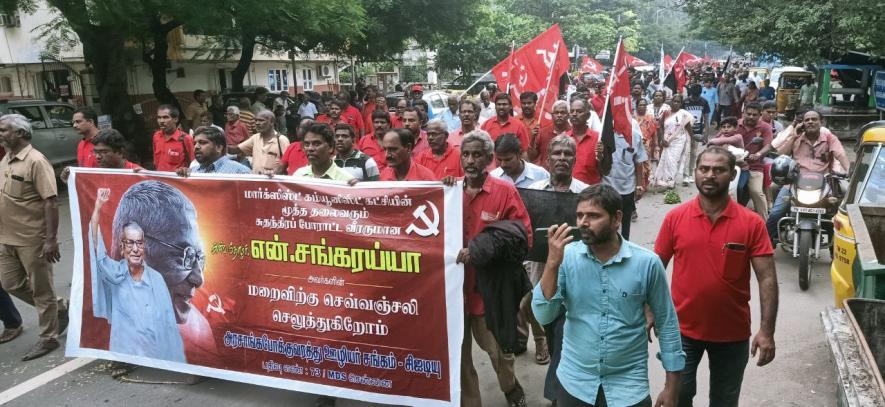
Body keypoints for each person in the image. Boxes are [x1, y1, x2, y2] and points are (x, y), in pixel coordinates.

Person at [533, 184, 684, 407]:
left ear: (616, 219)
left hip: (628, 387)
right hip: (575, 383)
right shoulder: (567, 257)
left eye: (593, 216)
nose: (583, 222)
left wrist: (672, 388)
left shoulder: (647, 263)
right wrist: (552, 263)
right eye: (580, 215)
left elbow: (668, 324)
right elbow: (544, 315)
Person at [655, 146, 778, 407]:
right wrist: (648, 308)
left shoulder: (751, 223)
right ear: (696, 172)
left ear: (733, 174)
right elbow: (654, 269)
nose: (710, 175)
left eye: (718, 170)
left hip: (732, 334)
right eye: (704, 169)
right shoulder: (675, 218)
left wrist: (767, 331)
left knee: (724, 401)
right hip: (681, 332)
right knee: (678, 396)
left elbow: (767, 278)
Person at [443, 129, 532, 407]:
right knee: (460, 355)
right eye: (465, 154)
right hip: (453, 290)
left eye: (477, 155)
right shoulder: (447, 190)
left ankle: (510, 386)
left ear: (490, 159)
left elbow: (523, 237)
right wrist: (441, 190)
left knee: (498, 350)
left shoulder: (505, 192)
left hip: (488, 290)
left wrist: (481, 250)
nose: (470, 161)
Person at [110, 181, 216, 365]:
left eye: (198, 258)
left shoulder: (198, 331)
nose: (199, 280)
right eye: (184, 255)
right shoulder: (97, 320)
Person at [526, 135, 589, 402]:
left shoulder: (586, 193)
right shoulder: (534, 191)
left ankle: (561, 392)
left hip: (579, 275)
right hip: (543, 272)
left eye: (567, 154)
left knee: (570, 331)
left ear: (574, 160)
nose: (562, 158)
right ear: (548, 158)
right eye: (557, 153)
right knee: (551, 328)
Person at [0, 113, 68, 361]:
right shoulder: (6, 160)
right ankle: (59, 306)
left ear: (21, 133)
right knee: (10, 283)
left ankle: (48, 338)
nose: (0, 134)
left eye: (4, 130)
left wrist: (51, 239)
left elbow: (50, 201)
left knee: (42, 289)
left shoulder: (36, 161)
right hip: (6, 238)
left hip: (32, 238)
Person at [89, 188, 185, 362]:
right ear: (122, 247)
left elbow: (169, 327)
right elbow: (97, 247)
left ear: (144, 246)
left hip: (155, 355)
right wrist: (98, 207)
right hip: (125, 352)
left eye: (139, 243)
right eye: (130, 243)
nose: (135, 249)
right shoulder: (115, 274)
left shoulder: (156, 279)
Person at [767, 110, 849, 242]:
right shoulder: (796, 137)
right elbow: (782, 155)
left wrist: (848, 170)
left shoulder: (829, 138)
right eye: (807, 120)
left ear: (821, 122)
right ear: (803, 123)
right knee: (775, 214)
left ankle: (837, 247)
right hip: (795, 181)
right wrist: (793, 136)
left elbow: (840, 154)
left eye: (814, 119)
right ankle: (766, 243)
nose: (810, 122)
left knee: (839, 212)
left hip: (823, 183)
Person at [602, 120, 647, 240]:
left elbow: (638, 163)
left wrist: (639, 186)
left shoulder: (635, 136)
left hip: (627, 187)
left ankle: (625, 244)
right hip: (607, 186)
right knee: (607, 220)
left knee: (625, 220)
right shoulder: (603, 135)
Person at [735, 102, 773, 219]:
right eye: (749, 114)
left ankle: (764, 222)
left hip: (754, 166)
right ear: (743, 113)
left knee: (756, 192)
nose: (751, 117)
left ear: (760, 115)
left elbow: (768, 145)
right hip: (734, 166)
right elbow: (723, 137)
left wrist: (758, 154)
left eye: (754, 115)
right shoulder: (735, 124)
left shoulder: (765, 127)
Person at [651, 94, 693, 190]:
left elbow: (689, 129)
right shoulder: (666, 112)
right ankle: (664, 181)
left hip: (678, 141)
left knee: (673, 161)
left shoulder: (684, 115)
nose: (676, 103)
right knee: (666, 160)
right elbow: (660, 126)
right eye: (675, 101)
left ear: (681, 103)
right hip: (667, 141)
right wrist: (662, 139)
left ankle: (671, 182)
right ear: (671, 102)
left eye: (678, 102)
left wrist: (692, 140)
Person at [231, 110, 290, 175]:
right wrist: (220, 144)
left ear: (272, 122)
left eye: (261, 120)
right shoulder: (255, 138)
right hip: (256, 181)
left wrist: (275, 172)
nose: (257, 123)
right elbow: (236, 149)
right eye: (256, 120)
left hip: (274, 182)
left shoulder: (282, 140)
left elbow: (288, 163)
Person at [177, 126, 251, 176]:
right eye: (194, 143)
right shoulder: (193, 171)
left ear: (218, 147)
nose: (196, 147)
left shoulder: (240, 171)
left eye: (203, 142)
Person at [567, 99, 604, 185]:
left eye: (579, 111)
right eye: (572, 111)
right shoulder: (564, 138)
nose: (574, 114)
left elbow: (605, 170)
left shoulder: (598, 139)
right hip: (567, 191)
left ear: (588, 115)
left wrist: (601, 158)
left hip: (590, 192)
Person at [682, 85, 711, 186]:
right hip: (685, 131)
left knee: (693, 154)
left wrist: (705, 136)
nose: (695, 98)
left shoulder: (704, 102)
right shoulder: (685, 102)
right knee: (686, 153)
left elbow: (707, 120)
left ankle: (690, 174)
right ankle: (685, 176)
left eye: (697, 96)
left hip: (698, 131)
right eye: (693, 96)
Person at [152, 105, 195, 172]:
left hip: (177, 181)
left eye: (165, 117)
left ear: (175, 119)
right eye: (159, 118)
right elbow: (156, 162)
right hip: (159, 180)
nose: (161, 121)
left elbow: (194, 165)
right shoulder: (156, 136)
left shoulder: (186, 139)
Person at [530, 100, 571, 168]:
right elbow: (532, 157)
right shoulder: (543, 132)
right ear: (552, 115)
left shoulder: (573, 133)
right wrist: (532, 139)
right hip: (547, 175)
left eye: (562, 112)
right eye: (556, 112)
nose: (559, 115)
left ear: (568, 115)